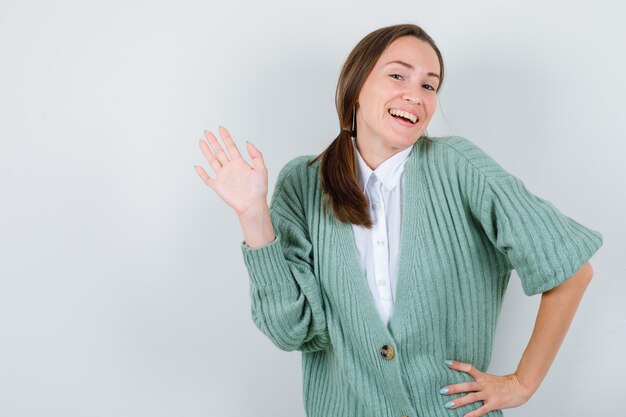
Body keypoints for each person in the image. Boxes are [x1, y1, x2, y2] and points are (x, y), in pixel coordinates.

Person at [194, 23, 603, 417]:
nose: (416, 95)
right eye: (398, 76)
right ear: (356, 87)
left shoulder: (458, 167)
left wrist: (522, 383)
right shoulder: (303, 182)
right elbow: (292, 332)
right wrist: (253, 216)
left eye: (429, 85)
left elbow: (570, 269)